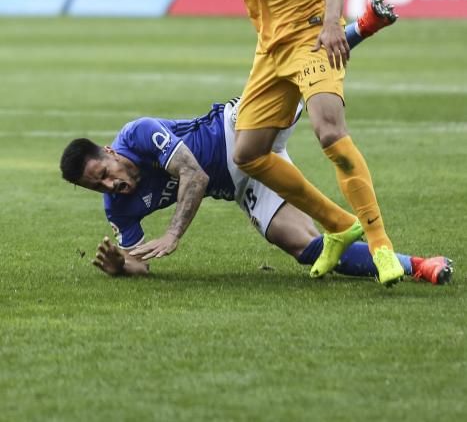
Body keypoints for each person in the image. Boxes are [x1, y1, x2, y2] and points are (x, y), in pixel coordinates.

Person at [137, 0, 406, 287]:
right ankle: (339, 224)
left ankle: (380, 243)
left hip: (308, 36)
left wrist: (330, 24)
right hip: (270, 48)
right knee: (248, 153)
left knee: (329, 130)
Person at [59, 63, 452, 286]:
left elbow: (193, 177)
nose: (111, 185)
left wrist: (174, 234)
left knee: (298, 77)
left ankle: (359, 27)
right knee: (306, 249)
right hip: (242, 182)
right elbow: (139, 261)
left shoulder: (138, 133)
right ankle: (419, 265)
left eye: (104, 173)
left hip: (238, 129)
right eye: (96, 186)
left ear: (109, 152)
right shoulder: (117, 207)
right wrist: (120, 267)